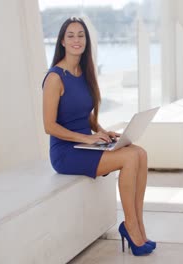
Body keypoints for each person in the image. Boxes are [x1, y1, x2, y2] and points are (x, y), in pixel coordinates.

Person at [42, 17, 155, 256]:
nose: (76, 40)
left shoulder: (83, 73)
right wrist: (87, 139)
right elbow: (49, 126)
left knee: (140, 153)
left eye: (80, 35)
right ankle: (130, 226)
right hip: (66, 153)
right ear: (62, 41)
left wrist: (101, 132)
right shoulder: (54, 78)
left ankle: (139, 225)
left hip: (86, 146)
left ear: (86, 40)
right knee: (129, 158)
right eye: (70, 35)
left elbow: (86, 115)